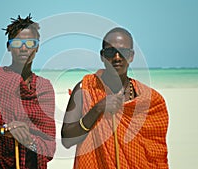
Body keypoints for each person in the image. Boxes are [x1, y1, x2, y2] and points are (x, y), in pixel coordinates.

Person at [61, 27, 169, 168]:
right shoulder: (85, 89)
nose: (117, 58)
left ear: (131, 56)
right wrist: (98, 109)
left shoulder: (150, 101)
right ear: (102, 55)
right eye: (110, 52)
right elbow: (67, 140)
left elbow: (155, 154)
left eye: (123, 52)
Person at [0, 14, 56, 169]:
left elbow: (49, 147)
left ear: (37, 47)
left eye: (30, 43)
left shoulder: (43, 88)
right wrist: (2, 130)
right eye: (17, 43)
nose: (23, 48)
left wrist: (28, 141)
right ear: (8, 46)